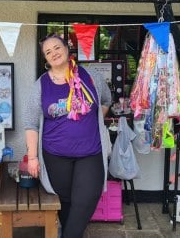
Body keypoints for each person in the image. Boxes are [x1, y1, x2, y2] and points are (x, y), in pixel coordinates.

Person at [24, 33, 112, 238]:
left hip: (90, 152)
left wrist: (93, 122)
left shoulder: (91, 77)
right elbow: (30, 123)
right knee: (65, 201)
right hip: (55, 155)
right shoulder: (41, 85)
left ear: (66, 48)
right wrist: (33, 158)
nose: (53, 53)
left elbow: (107, 100)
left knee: (86, 199)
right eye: (48, 52)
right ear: (45, 59)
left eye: (57, 48)